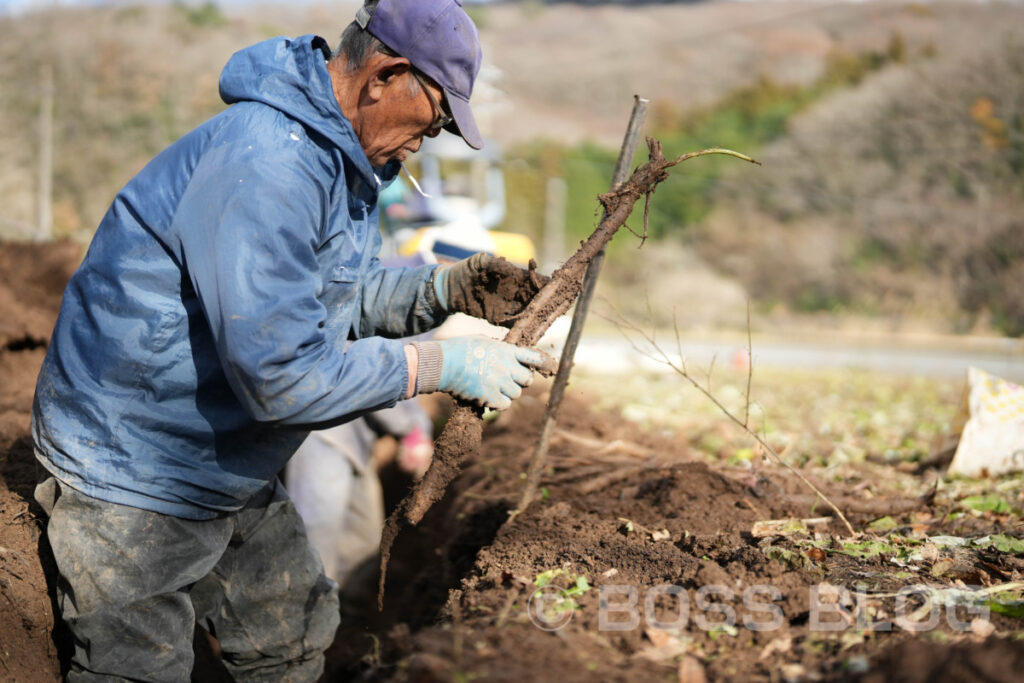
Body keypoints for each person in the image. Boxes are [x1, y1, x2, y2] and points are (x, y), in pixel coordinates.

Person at [30, 0, 547, 680]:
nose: (426, 142)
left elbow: (331, 296)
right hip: (137, 463)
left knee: (294, 639)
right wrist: (437, 362)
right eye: (434, 120)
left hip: (223, 453)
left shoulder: (335, 159)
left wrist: (443, 291)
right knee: (139, 666)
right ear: (385, 75)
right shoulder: (270, 163)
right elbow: (281, 375)